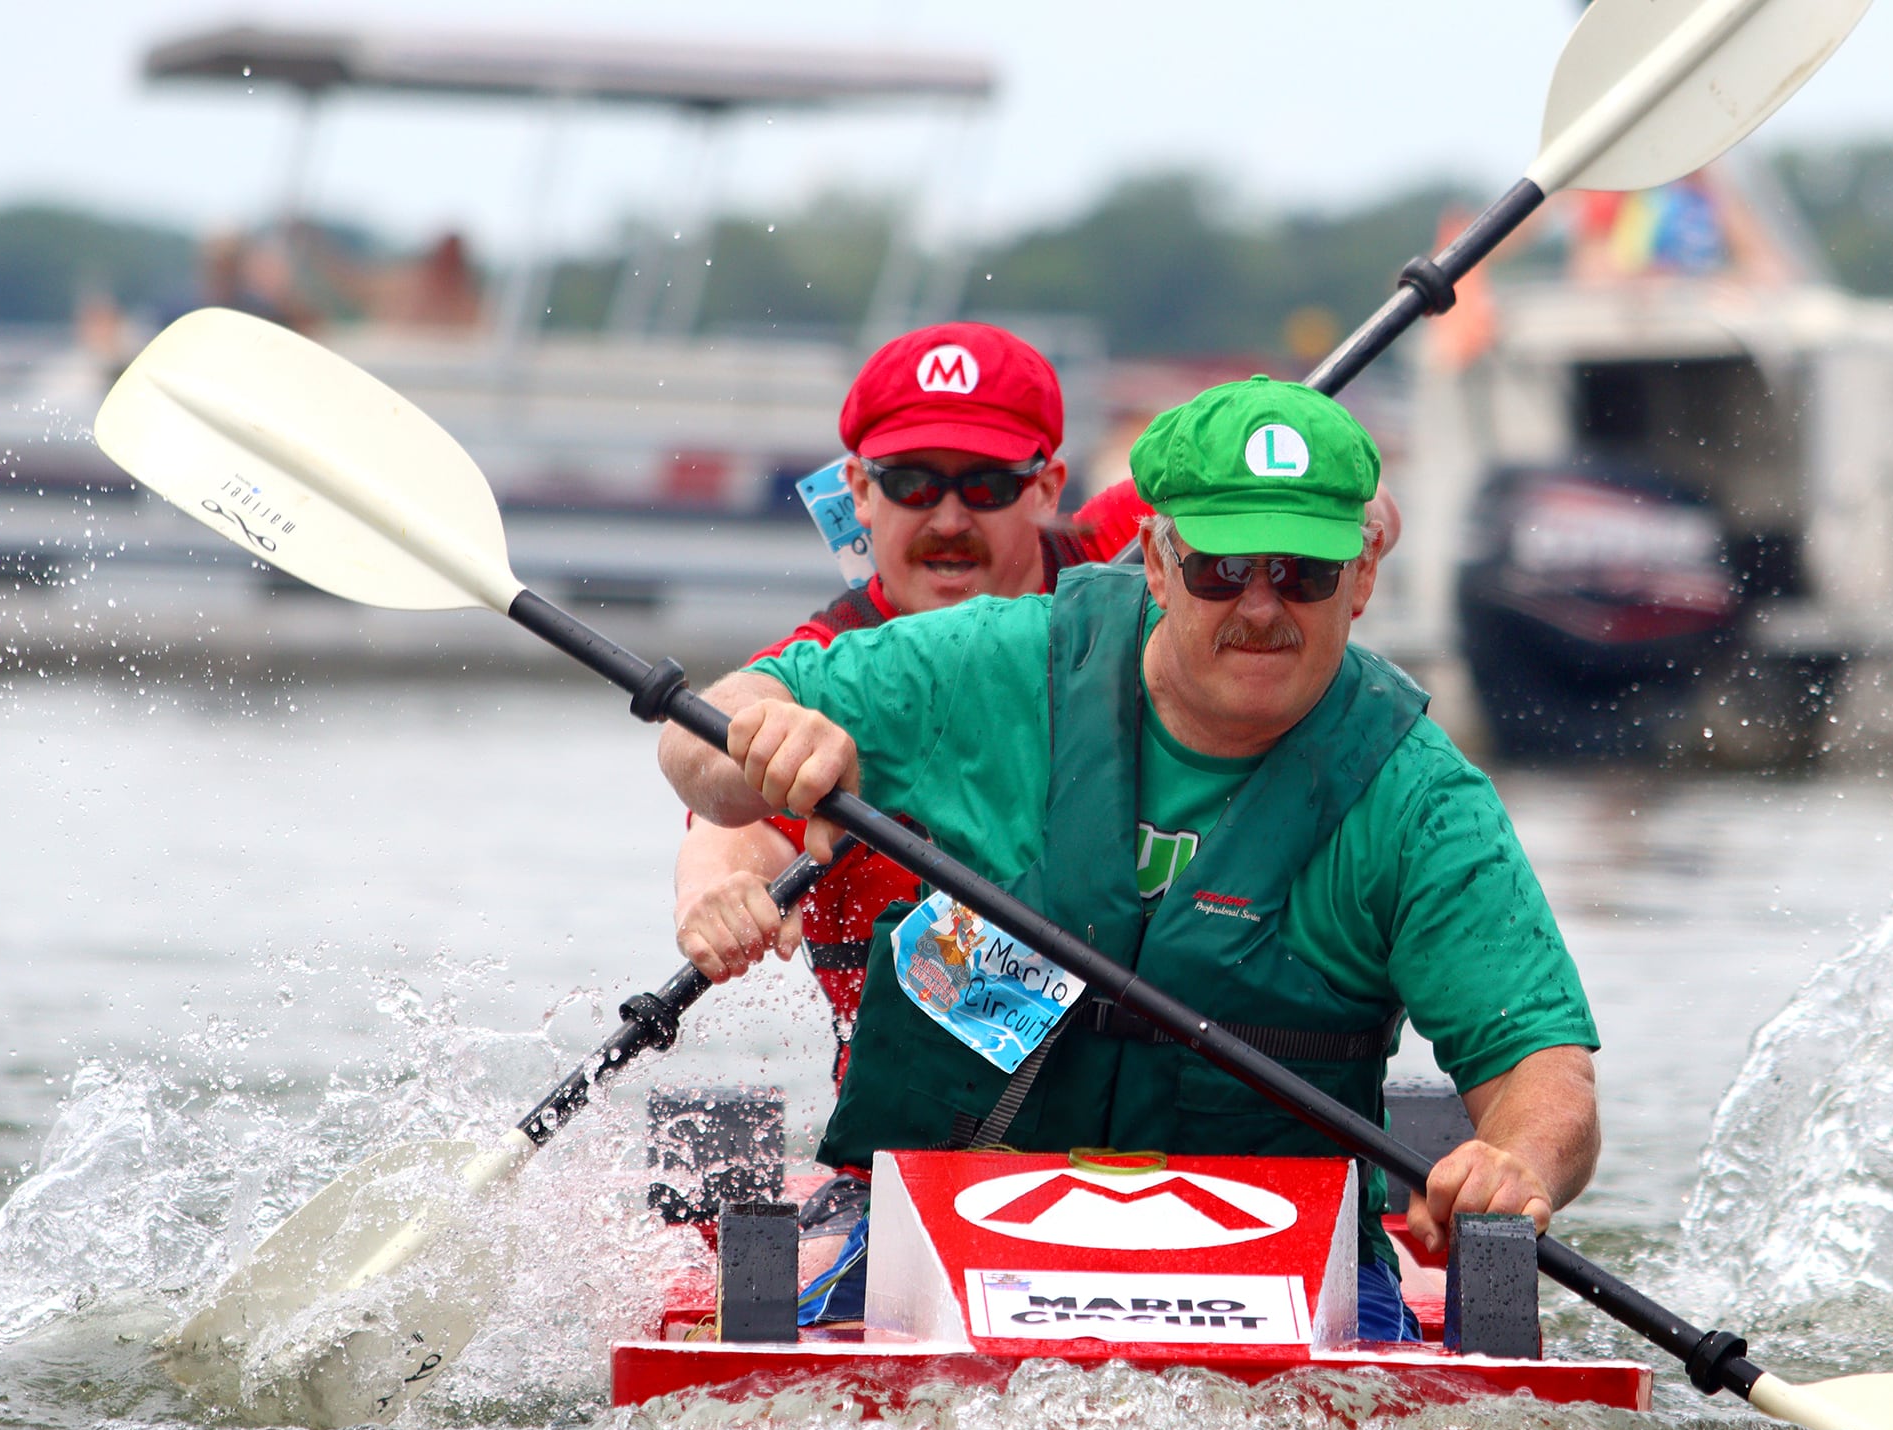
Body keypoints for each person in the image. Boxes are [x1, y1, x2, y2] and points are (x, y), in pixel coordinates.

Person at [658, 376, 1599, 1340]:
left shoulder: (1423, 799)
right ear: (1155, 560)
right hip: (933, 1223)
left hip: (1300, 1268)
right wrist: (764, 740)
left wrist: (1515, 1164)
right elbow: (697, 735)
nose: (1262, 608)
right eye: (1222, 570)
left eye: (1304, 575)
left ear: (1361, 578)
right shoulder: (990, 665)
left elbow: (1547, 1072)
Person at [672, 322, 1151, 1084]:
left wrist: (1372, 519)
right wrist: (714, 891)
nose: (950, 520)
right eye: (913, 484)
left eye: (988, 485)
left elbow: (1338, 498)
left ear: (1048, 489)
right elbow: (721, 799)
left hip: (1141, 1097)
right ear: (861, 490)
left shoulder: (1127, 549)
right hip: (916, 1138)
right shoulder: (830, 674)